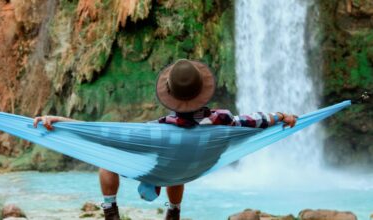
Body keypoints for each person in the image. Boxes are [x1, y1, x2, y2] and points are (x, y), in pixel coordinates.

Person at [34, 59, 297, 220]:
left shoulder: (158, 129)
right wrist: (282, 115)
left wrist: (62, 122)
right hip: (191, 169)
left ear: (170, 96)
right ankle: (174, 211)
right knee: (178, 167)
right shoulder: (225, 120)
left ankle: (110, 209)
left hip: (162, 167)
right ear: (201, 94)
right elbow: (257, 120)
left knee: (107, 159)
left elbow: (100, 133)